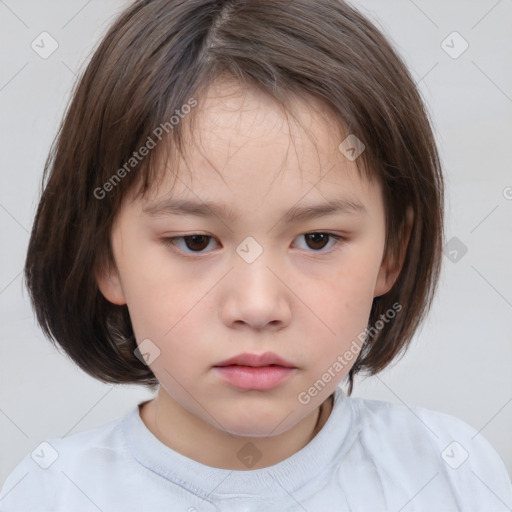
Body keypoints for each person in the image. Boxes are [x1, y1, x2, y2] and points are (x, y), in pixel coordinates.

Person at [1, 0, 510, 510]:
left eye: (317, 240)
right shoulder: (52, 494)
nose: (259, 306)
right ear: (105, 259)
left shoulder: (451, 474)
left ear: (391, 252)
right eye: (196, 241)